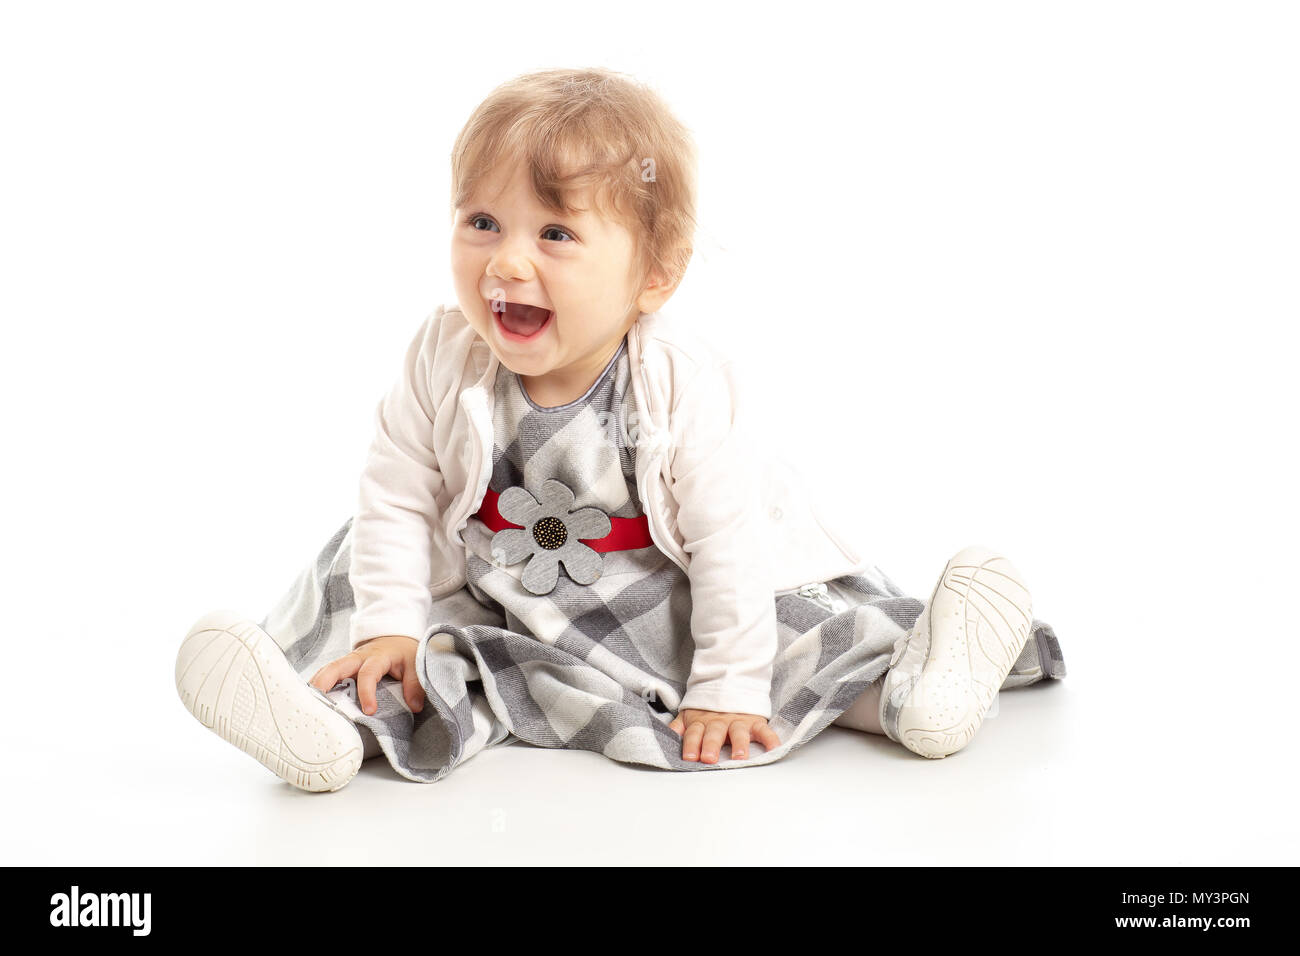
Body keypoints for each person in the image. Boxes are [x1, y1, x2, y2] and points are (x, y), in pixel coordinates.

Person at [175, 67, 1066, 792]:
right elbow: (397, 494)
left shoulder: (673, 380)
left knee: (793, 663)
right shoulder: (445, 353)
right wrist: (389, 626)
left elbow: (725, 543)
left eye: (555, 233)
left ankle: (925, 687)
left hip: (666, 590)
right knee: (405, 633)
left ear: (654, 277)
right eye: (482, 222)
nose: (507, 261)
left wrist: (724, 684)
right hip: (502, 591)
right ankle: (330, 733)